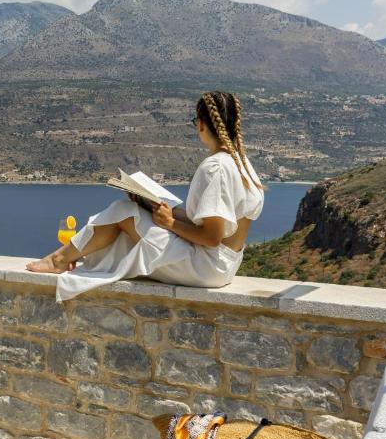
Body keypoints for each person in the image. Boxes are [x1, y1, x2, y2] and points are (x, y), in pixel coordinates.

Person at [26, 91, 265, 302]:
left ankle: (59, 260)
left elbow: (211, 237)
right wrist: (153, 207)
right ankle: (69, 257)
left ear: (201, 124)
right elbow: (216, 227)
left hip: (206, 266)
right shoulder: (242, 164)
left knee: (122, 211)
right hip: (224, 265)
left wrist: (170, 222)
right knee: (133, 212)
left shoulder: (216, 167)